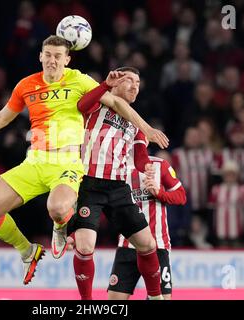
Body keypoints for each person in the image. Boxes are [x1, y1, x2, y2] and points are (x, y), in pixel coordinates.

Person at [0, 36, 168, 285]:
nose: (52, 60)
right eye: (47, 54)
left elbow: (114, 101)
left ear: (67, 59)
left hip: (67, 163)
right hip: (35, 162)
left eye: (58, 56)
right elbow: (1, 118)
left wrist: (145, 129)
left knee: (58, 208)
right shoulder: (26, 85)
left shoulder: (77, 78)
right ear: (40, 56)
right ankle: (28, 251)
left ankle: (60, 225)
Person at [71, 67, 168, 300]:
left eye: (138, 82)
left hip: (118, 188)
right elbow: (82, 106)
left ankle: (155, 297)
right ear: (115, 83)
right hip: (89, 184)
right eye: (129, 80)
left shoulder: (137, 123)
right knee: (85, 247)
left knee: (147, 244)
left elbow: (140, 157)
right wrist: (104, 85)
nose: (135, 85)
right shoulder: (99, 103)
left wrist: (149, 168)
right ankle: (87, 304)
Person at [107, 155, 186, 300]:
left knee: (162, 298)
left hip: (158, 245)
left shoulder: (160, 165)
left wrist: (160, 193)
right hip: (128, 244)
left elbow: (181, 196)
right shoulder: (115, 168)